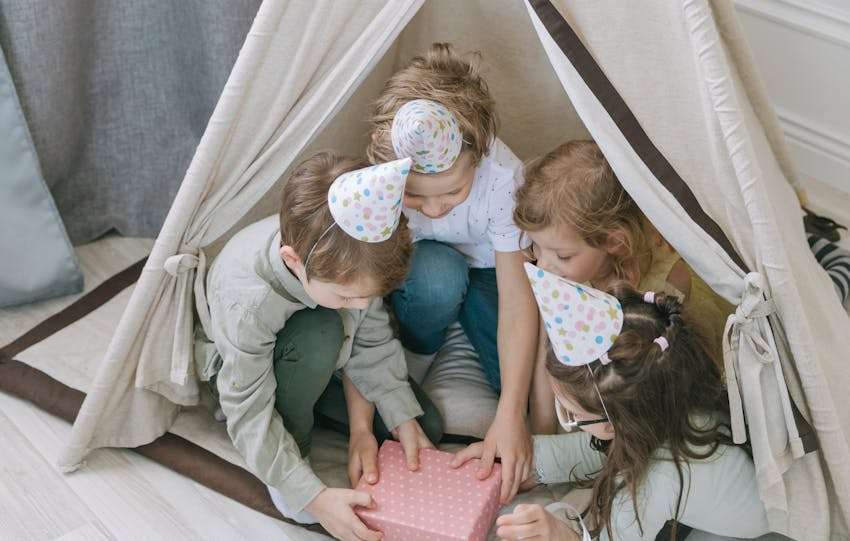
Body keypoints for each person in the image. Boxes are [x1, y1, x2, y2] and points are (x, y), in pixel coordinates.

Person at [194, 152, 442, 541]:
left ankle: (325, 404)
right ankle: (294, 444)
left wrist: (378, 424)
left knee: (424, 427)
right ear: (293, 262)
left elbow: (370, 338)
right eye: (348, 297)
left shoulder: (353, 264)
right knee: (322, 332)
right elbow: (246, 407)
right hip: (250, 376)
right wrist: (312, 496)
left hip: (325, 359)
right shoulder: (248, 301)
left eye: (368, 297)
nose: (361, 306)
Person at [455, 268, 771, 540]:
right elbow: (596, 447)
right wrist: (527, 459)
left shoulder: (654, 481)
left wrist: (560, 533)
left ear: (611, 424)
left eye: (571, 415)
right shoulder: (671, 391)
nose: (569, 419)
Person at [366, 42, 539, 503]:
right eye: (417, 198)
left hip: (488, 270)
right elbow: (368, 287)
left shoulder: (502, 177)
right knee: (439, 277)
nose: (436, 209)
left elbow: (519, 301)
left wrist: (510, 414)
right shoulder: (382, 182)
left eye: (451, 193)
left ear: (478, 160)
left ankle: (463, 333)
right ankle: (421, 351)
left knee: (518, 383)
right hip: (424, 270)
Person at [513, 140, 733, 434]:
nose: (542, 265)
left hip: (662, 384)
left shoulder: (666, 286)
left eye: (562, 255)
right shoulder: (564, 272)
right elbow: (552, 350)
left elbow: (666, 382)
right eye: (535, 247)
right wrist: (542, 429)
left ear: (614, 241)